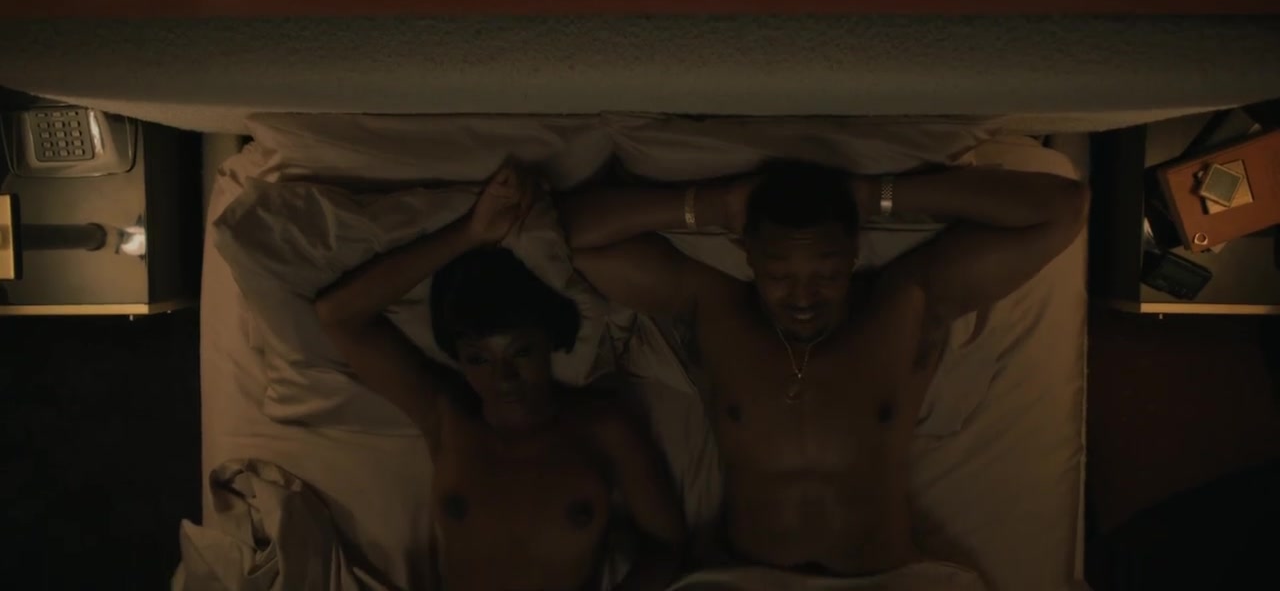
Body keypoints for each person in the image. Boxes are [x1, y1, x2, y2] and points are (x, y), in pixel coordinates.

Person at [560, 158, 1088, 577]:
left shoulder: (904, 306)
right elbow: (578, 236)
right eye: (779, 276)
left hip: (883, 580)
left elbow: (1063, 207)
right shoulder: (716, 311)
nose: (803, 297)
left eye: (828, 274)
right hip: (750, 580)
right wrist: (714, 206)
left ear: (854, 252)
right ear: (747, 255)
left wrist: (873, 197)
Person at [314, 164, 687, 591]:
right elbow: (339, 317)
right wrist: (469, 234)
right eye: (478, 359)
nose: (504, 377)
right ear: (458, 358)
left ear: (548, 342)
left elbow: (666, 545)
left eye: (520, 352)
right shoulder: (450, 420)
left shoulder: (603, 428)